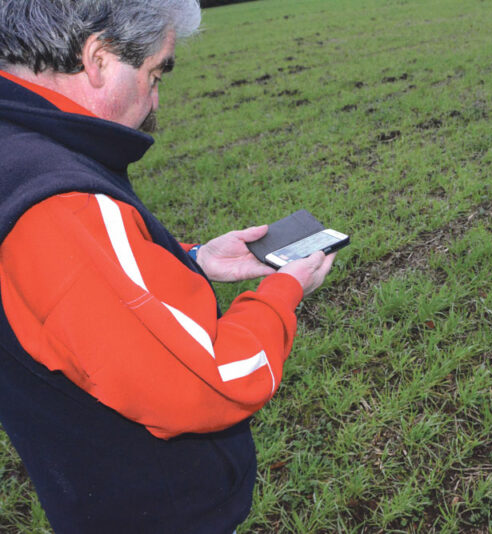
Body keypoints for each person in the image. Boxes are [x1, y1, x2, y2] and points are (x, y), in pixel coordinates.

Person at [0, 1, 336, 532]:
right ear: (98, 56)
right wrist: (282, 292)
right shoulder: (59, 203)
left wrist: (193, 260)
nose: (155, 101)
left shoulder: (15, 148)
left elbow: (82, 301)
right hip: (152, 512)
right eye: (155, 73)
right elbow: (212, 381)